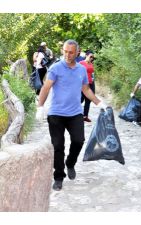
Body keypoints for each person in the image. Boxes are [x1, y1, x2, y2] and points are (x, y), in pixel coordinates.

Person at [36, 39, 103, 191]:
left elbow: (86, 89)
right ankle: (59, 177)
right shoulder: (56, 68)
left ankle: (70, 163)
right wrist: (40, 107)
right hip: (56, 114)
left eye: (71, 52)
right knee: (58, 146)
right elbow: (46, 88)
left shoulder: (81, 70)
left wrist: (100, 103)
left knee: (79, 141)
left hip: (75, 113)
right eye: (65, 51)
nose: (67, 54)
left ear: (77, 53)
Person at [79, 50, 96, 122]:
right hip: (83, 84)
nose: (92, 58)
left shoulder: (91, 64)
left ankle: (85, 116)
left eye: (93, 57)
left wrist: (93, 81)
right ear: (86, 55)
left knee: (88, 100)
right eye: (90, 56)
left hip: (91, 83)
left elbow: (92, 74)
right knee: (80, 100)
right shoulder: (81, 63)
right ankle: (75, 114)